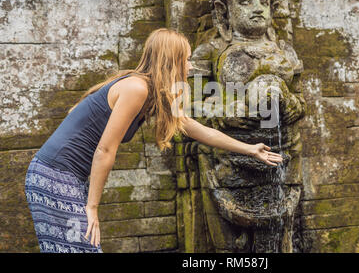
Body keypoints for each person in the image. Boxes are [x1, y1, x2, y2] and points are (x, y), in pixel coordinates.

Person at [24, 28, 283, 253]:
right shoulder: (136, 88)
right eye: (187, 59)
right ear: (172, 61)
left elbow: (193, 128)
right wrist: (92, 207)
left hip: (66, 177)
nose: (191, 66)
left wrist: (249, 149)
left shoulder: (156, 93)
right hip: (54, 175)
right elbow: (105, 149)